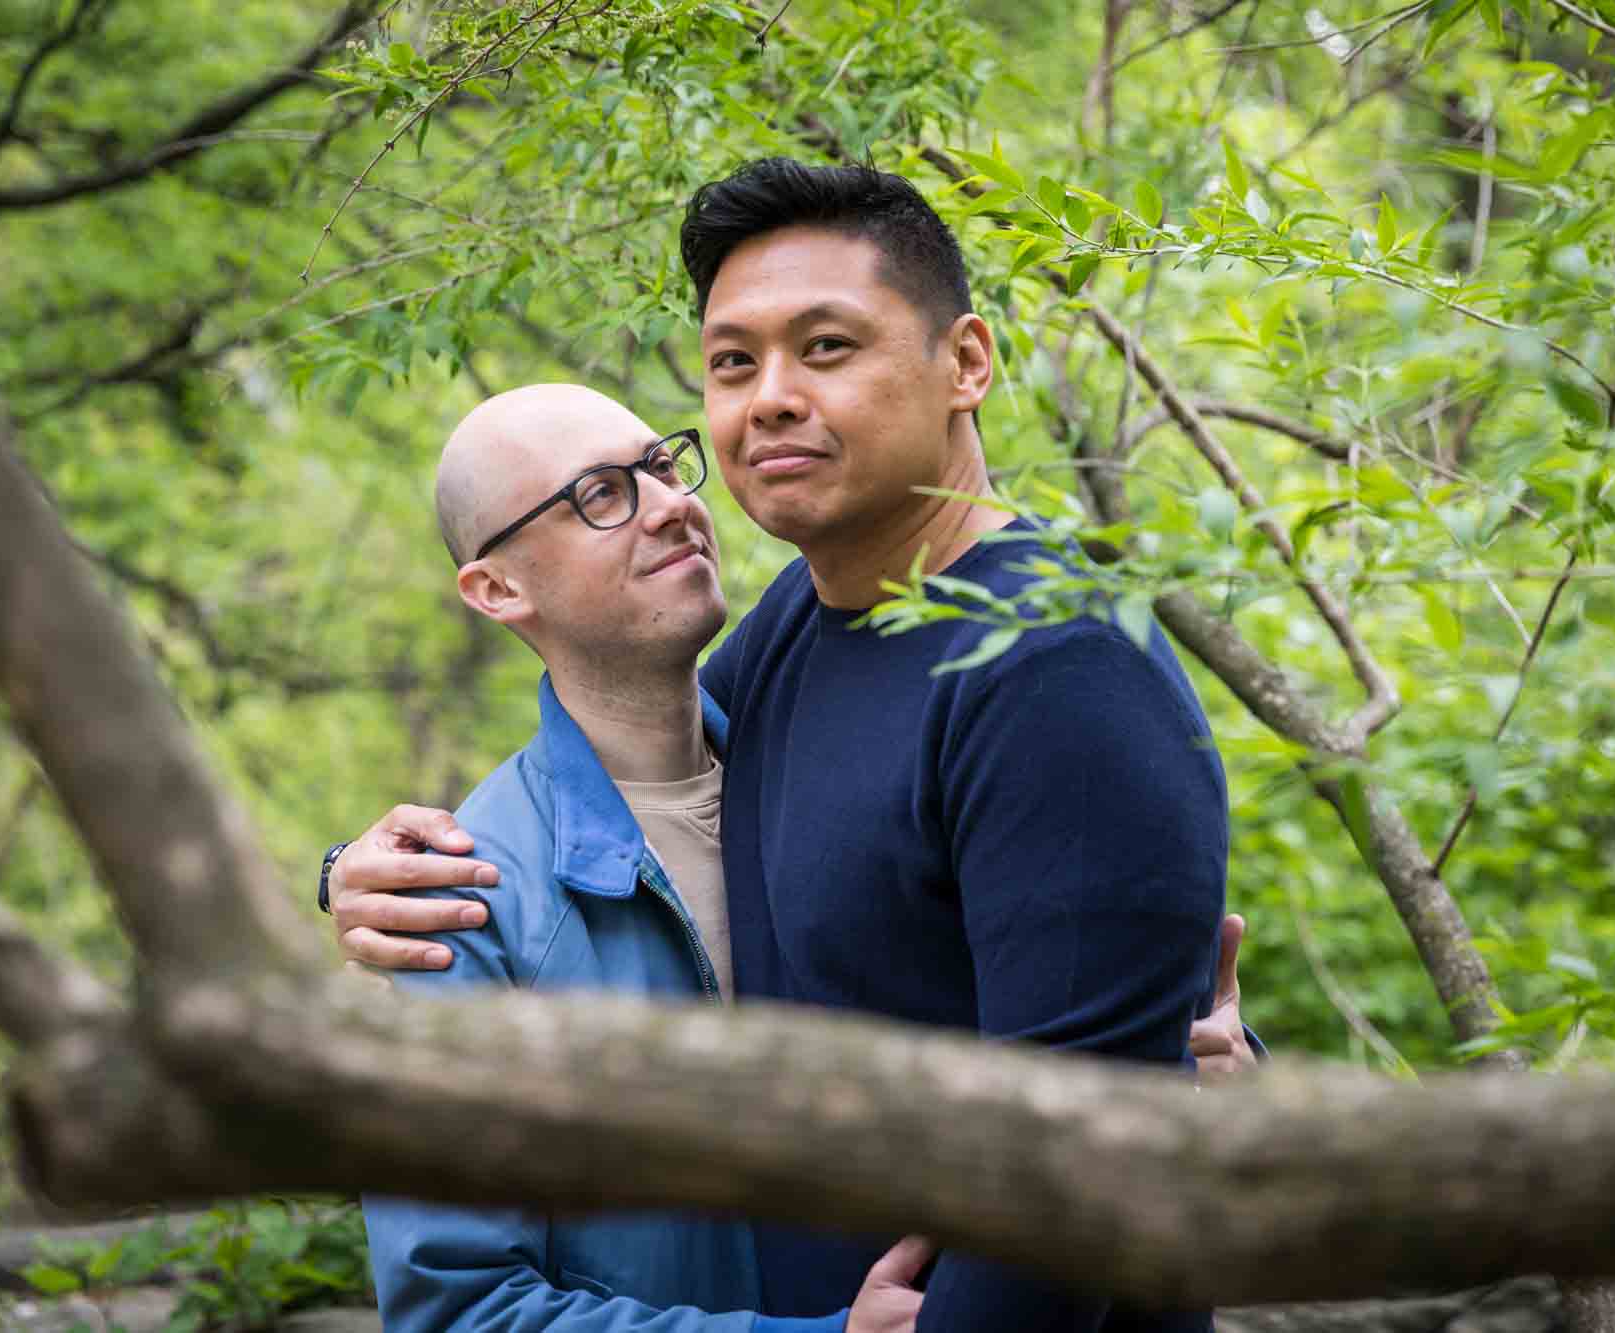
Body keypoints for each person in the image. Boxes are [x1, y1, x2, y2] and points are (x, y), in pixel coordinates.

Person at [333, 159, 1252, 1332]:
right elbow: (614, 787)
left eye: (826, 347)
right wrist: (359, 875)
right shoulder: (785, 642)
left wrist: (1207, 1065)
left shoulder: (1050, 666)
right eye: (732, 362)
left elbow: (1078, 1151)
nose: (767, 398)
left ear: (964, 362)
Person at [360, 383, 934, 1333]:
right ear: (497, 588)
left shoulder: (831, 766)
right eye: (599, 493)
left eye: (661, 465)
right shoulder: (467, 904)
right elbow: (459, 1312)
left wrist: (1184, 1061)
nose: (671, 504)